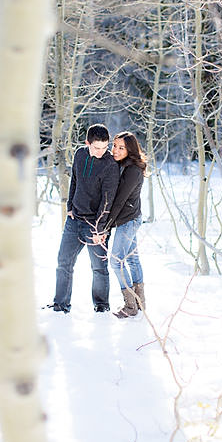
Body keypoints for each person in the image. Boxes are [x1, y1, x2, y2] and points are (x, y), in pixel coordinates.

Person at [49, 123, 120, 314]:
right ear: (87, 143)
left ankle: (101, 306)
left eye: (105, 147)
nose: (101, 152)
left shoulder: (110, 165)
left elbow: (107, 201)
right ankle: (60, 304)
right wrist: (70, 207)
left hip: (95, 225)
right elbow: (74, 181)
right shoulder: (80, 155)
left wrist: (99, 229)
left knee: (99, 267)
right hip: (74, 221)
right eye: (97, 147)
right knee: (64, 262)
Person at [103, 131, 147, 319]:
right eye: (115, 145)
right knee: (132, 259)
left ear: (130, 150)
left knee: (116, 260)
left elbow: (119, 201)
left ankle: (131, 305)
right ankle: (140, 302)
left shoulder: (132, 170)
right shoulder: (122, 166)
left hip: (128, 221)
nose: (116, 150)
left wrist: (106, 225)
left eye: (121, 148)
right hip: (129, 218)